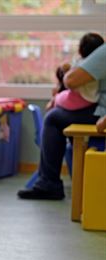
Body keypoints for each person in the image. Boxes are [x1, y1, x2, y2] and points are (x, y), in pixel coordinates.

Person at [18, 42, 106, 200]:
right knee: (60, 116)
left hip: (102, 115)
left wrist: (66, 73)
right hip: (98, 111)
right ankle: (71, 180)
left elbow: (71, 80)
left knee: (54, 118)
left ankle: (49, 183)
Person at [47, 33, 104, 111]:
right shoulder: (97, 64)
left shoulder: (83, 65)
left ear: (80, 49)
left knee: (58, 98)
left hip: (81, 99)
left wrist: (55, 97)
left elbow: (70, 81)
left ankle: (54, 101)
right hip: (91, 99)